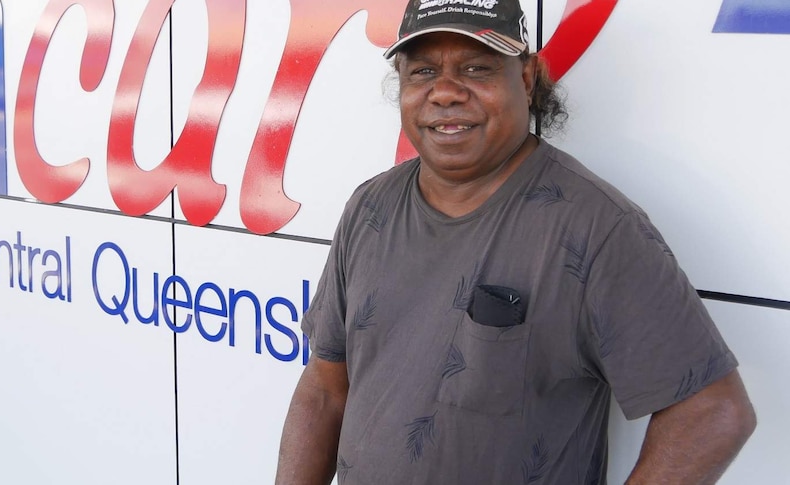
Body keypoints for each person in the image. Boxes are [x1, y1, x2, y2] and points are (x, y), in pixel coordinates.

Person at [276, 0, 756, 483]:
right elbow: (325, 389)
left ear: (526, 80)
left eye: (476, 67)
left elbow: (714, 412)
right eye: (422, 71)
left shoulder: (594, 227)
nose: (444, 92)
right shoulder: (371, 206)